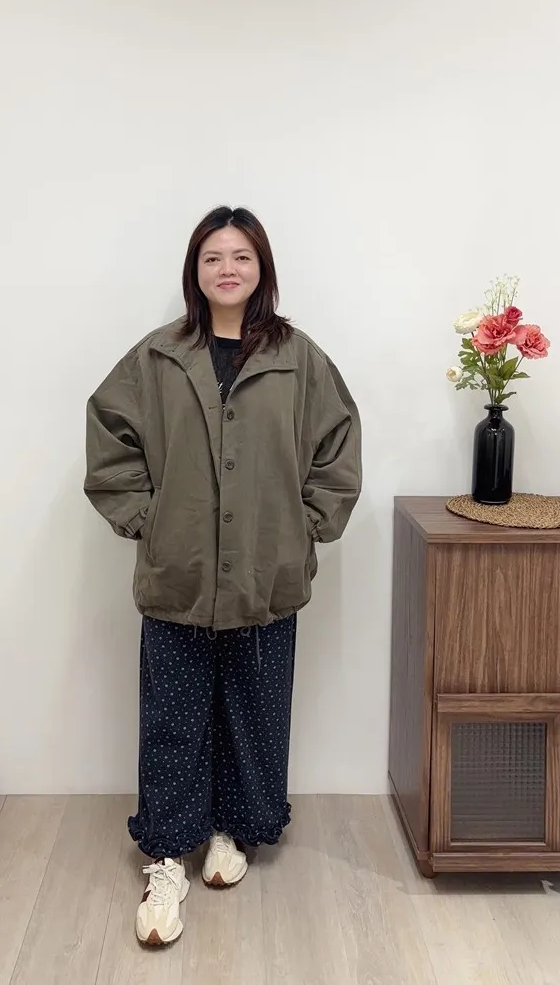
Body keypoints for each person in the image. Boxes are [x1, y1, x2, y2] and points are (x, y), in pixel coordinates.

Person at [84, 205, 361, 946]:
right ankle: (167, 856)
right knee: (173, 719)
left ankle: (231, 831)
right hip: (178, 575)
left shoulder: (298, 358)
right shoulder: (159, 356)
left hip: (265, 576)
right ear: (195, 270)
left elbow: (337, 447)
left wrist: (304, 526)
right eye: (213, 257)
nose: (227, 268)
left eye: (241, 256)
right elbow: (109, 436)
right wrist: (148, 519)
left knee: (254, 710)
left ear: (261, 267)